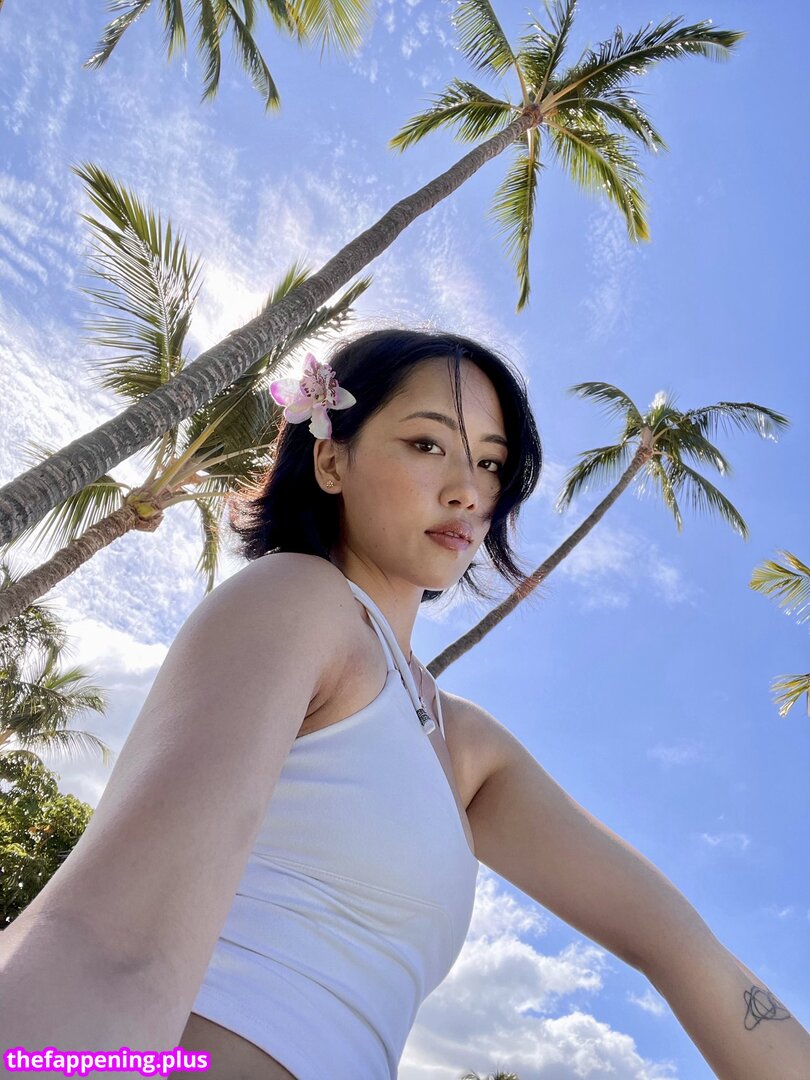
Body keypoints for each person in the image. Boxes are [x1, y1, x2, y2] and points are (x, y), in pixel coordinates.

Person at [1, 328, 808, 1080]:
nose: (467, 490)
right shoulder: (300, 600)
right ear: (330, 461)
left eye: (490, 463)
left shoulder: (467, 746)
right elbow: (109, 943)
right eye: (428, 445)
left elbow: (680, 949)